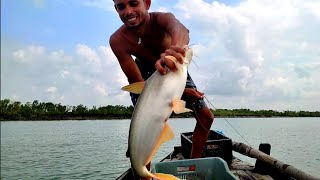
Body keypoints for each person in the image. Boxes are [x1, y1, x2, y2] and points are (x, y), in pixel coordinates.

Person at [110, 0, 214, 160]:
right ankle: (143, 171)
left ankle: (194, 164)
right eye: (121, 6)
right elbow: (138, 83)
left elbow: (181, 29)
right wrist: (183, 93)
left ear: (147, 3)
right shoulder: (117, 40)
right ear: (116, 8)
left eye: (133, 3)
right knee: (144, 128)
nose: (128, 11)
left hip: (172, 67)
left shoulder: (162, 19)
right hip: (143, 76)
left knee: (206, 117)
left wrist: (174, 51)